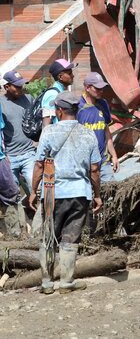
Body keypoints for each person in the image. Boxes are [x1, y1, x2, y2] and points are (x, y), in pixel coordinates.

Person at [28, 91, 102, 294]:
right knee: (71, 237)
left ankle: (47, 283)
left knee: (48, 236)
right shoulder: (88, 133)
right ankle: (67, 282)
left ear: (59, 111)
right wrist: (97, 195)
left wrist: (34, 191)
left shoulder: (49, 132)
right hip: (79, 192)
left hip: (52, 192)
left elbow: (39, 165)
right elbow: (94, 170)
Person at [1, 71, 35, 236]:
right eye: (17, 85)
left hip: (28, 153)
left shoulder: (29, 100)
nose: (21, 87)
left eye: (22, 84)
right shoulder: (1, 104)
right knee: (12, 195)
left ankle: (39, 230)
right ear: (6, 86)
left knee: (37, 188)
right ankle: (17, 234)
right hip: (9, 157)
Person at [77, 73, 119, 183]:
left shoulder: (103, 104)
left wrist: (114, 156)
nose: (101, 91)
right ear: (87, 87)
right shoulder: (78, 107)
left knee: (111, 191)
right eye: (97, 88)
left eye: (102, 88)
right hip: (84, 163)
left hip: (103, 160)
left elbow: (106, 133)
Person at [41, 59, 77, 127]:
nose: (73, 76)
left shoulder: (61, 92)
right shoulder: (53, 94)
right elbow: (46, 124)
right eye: (69, 73)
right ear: (60, 77)